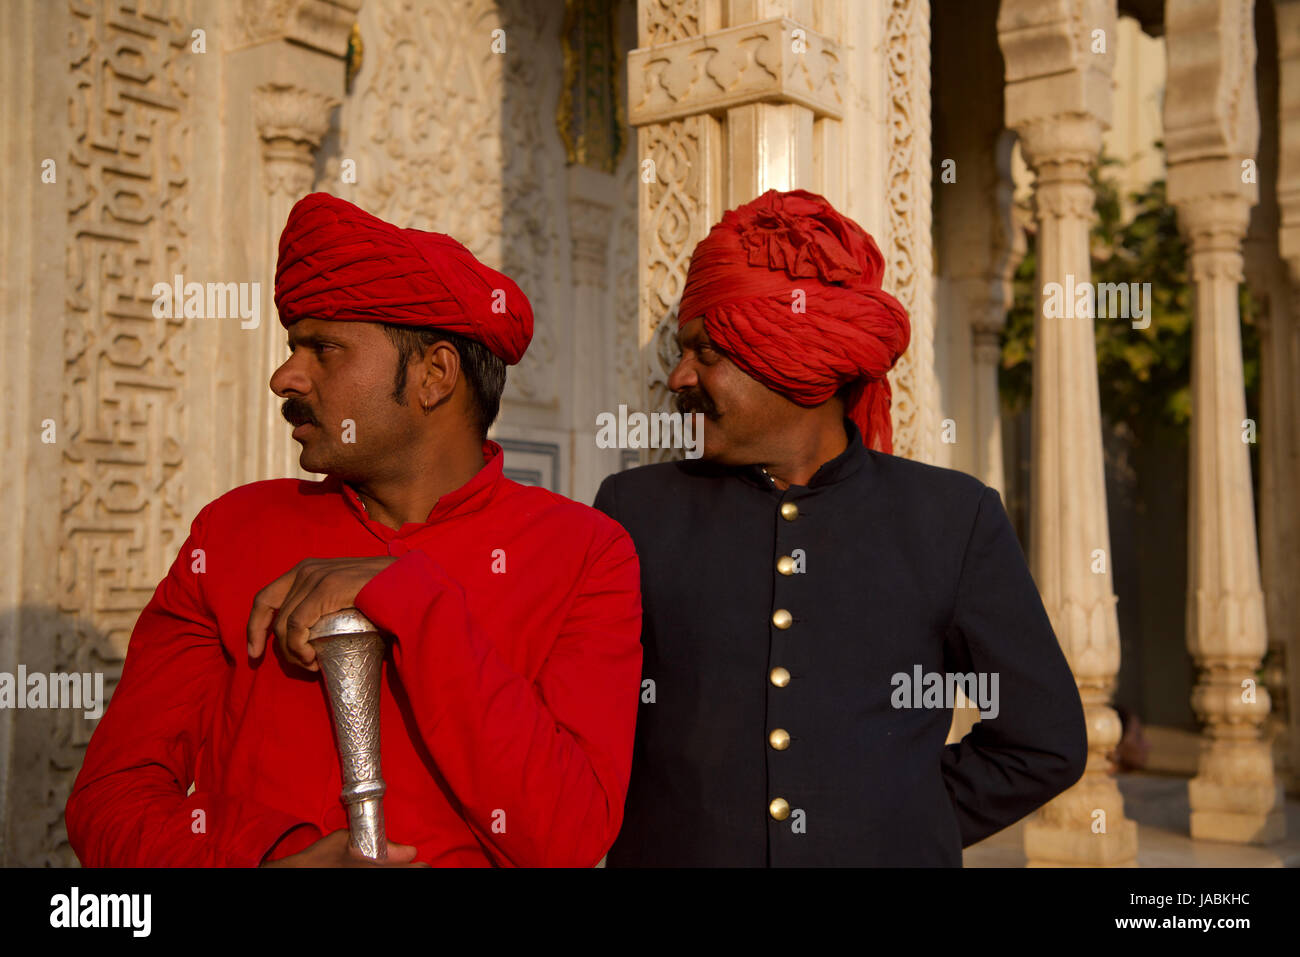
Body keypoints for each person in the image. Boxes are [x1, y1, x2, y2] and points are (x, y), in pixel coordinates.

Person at [66, 192, 642, 867]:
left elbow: (568, 837)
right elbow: (108, 800)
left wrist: (418, 602)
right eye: (291, 346)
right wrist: (272, 862)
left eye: (323, 349)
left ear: (434, 375)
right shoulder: (234, 531)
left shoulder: (584, 553)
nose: (286, 376)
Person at [595, 188, 1087, 866]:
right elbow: (582, 733)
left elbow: (1043, 741)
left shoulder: (950, 519)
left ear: (794, 356)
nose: (679, 377)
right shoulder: (635, 510)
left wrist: (891, 817)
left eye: (705, 352)